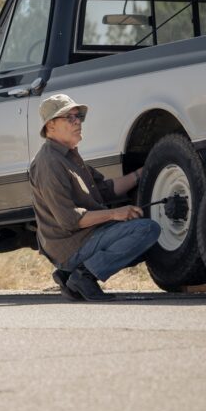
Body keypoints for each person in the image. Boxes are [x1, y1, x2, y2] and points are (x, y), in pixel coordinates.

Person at [29, 94, 161, 301]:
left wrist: (141, 173)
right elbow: (70, 219)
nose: (78, 122)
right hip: (72, 245)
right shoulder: (49, 163)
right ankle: (83, 276)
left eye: (79, 116)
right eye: (69, 118)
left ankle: (69, 276)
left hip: (84, 238)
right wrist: (115, 214)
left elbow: (105, 190)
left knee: (145, 238)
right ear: (51, 125)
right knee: (147, 230)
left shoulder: (69, 155)